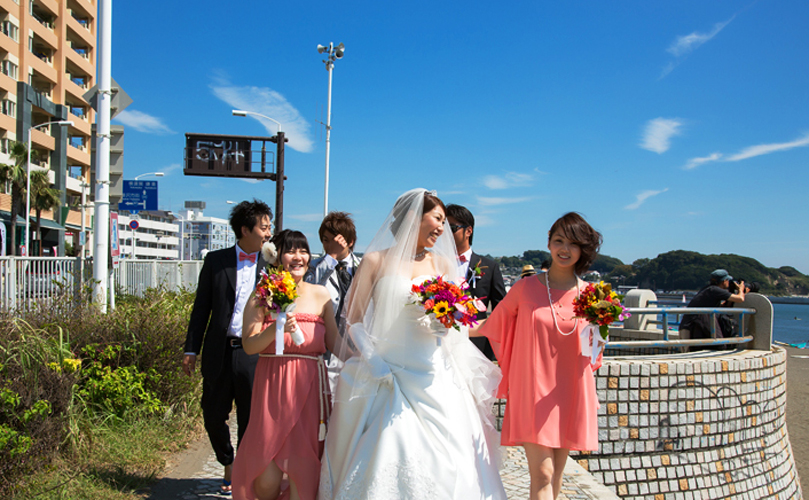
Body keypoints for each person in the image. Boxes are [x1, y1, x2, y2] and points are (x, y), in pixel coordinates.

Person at [318, 189, 506, 500]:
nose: (442, 228)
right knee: (387, 442)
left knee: (448, 458)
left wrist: (443, 323)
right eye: (437, 219)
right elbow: (354, 320)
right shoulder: (376, 261)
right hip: (387, 372)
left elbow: (456, 323)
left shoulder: (444, 264)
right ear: (413, 218)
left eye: (445, 222)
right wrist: (372, 358)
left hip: (434, 373)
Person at [474, 212, 603, 500]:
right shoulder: (526, 287)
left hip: (570, 388)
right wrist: (450, 327)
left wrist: (600, 331)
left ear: (583, 249)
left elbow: (595, 349)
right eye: (558, 241)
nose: (564, 249)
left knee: (556, 474)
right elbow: (494, 323)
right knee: (542, 473)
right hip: (533, 390)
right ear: (548, 243)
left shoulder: (593, 296)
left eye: (573, 243)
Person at [232, 230, 339, 500]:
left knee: (303, 468)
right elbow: (249, 345)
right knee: (265, 478)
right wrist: (277, 329)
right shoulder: (262, 295)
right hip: (272, 386)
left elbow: (335, 343)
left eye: (303, 251)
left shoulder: (320, 295)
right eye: (291, 251)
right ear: (276, 257)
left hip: (310, 387)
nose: (299, 257)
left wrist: (370, 356)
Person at [183, 200, 273, 495]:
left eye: (269, 226)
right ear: (245, 229)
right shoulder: (215, 260)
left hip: (254, 352)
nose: (268, 233)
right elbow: (201, 309)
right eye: (264, 227)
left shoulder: (272, 266)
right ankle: (227, 459)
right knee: (212, 413)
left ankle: (242, 472)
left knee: (250, 417)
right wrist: (190, 350)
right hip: (219, 350)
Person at [445, 204, 507, 361]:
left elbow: (501, 310)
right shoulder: (435, 263)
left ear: (469, 231)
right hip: (441, 344)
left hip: (477, 348)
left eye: (452, 228)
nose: (446, 233)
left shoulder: (489, 266)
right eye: (444, 228)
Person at [305, 211, 361, 333]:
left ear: (350, 241)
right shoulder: (313, 267)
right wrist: (332, 256)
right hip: (324, 336)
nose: (330, 245)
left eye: (335, 241)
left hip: (356, 337)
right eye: (326, 240)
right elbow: (313, 291)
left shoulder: (362, 266)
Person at [679, 269, 746, 349]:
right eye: (728, 280)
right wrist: (741, 289)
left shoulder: (708, 289)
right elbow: (740, 299)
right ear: (724, 281)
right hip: (691, 326)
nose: (729, 282)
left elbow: (720, 306)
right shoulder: (715, 290)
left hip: (691, 324)